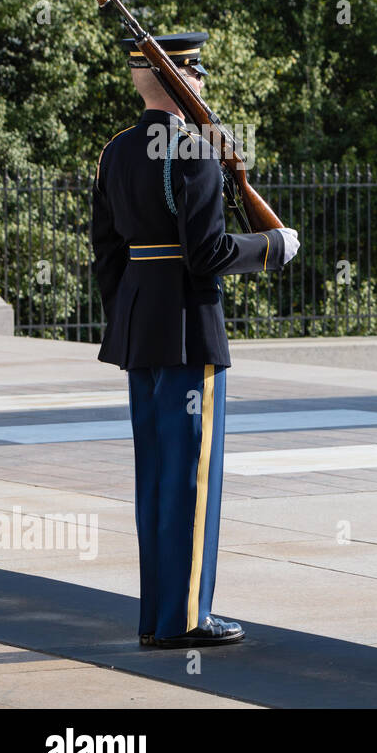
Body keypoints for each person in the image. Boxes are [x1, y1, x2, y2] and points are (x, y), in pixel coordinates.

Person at [90, 31, 300, 649]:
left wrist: (128, 315)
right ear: (186, 81)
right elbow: (207, 253)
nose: (204, 83)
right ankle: (184, 620)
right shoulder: (196, 150)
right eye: (198, 74)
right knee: (192, 481)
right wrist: (272, 247)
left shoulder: (116, 153)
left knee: (155, 477)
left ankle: (158, 617)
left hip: (141, 331)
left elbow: (107, 254)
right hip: (187, 329)